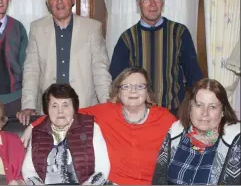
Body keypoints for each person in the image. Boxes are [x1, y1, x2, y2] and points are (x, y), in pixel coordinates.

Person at [21, 67, 177, 185]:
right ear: (118, 91)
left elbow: (186, 137)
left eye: (140, 86)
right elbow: (66, 112)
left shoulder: (164, 118)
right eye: (126, 86)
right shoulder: (105, 112)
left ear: (147, 91)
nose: (133, 91)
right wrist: (33, 125)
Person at [17, 0, 111, 125]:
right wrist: (28, 106)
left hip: (84, 108)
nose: (59, 1)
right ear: (47, 1)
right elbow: (31, 70)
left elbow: (100, 70)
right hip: (49, 110)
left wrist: (107, 104)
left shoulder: (92, 28)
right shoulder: (37, 28)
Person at [109, 0, 203, 115]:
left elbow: (194, 75)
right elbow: (116, 79)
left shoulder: (179, 32)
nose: (152, 4)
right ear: (138, 3)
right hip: (138, 113)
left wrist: (195, 108)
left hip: (174, 113)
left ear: (163, 2)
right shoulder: (127, 38)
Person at [152, 78, 240, 185]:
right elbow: (159, 179)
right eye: (199, 105)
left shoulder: (234, 139)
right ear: (190, 107)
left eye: (212, 107)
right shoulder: (175, 131)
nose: (204, 113)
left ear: (222, 111)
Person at [21, 83, 110, 185]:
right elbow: (28, 170)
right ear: (47, 109)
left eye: (65, 105)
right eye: (54, 106)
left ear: (74, 108)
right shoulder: (38, 132)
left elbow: (102, 168)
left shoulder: (91, 127)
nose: (60, 111)